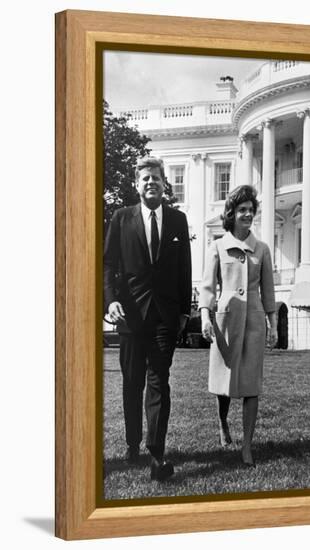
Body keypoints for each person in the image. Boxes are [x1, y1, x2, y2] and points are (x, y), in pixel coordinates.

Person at [104, 156, 192, 481]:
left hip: (164, 318)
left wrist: (184, 310)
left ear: (163, 183)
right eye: (145, 179)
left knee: (159, 383)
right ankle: (132, 444)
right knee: (132, 384)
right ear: (136, 184)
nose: (151, 182)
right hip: (129, 317)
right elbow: (108, 265)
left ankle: (156, 454)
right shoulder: (120, 218)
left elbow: (185, 268)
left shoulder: (177, 221)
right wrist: (110, 301)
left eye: (156, 178)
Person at [199, 185, 277, 467]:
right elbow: (207, 286)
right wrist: (205, 317)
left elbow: (269, 291)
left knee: (251, 385)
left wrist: (273, 323)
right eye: (241, 210)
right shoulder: (217, 246)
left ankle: (247, 446)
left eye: (250, 210)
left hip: (255, 322)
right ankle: (222, 424)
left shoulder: (263, 249)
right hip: (226, 322)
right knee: (223, 384)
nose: (247, 215)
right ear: (231, 214)